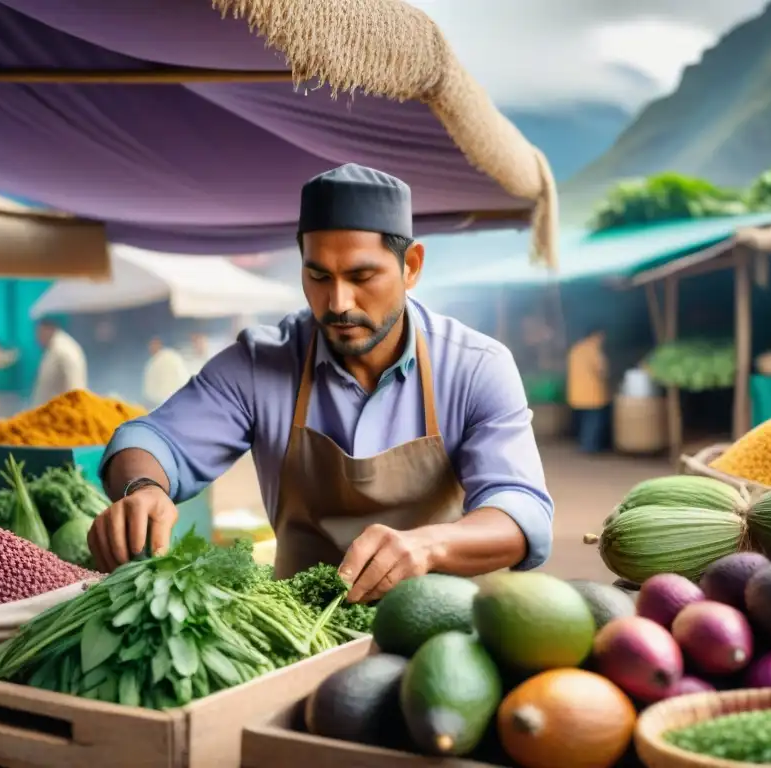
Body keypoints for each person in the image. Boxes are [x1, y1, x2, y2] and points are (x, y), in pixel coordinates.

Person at [91, 163, 554, 603]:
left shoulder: (476, 367)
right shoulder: (262, 363)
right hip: (296, 634)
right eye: (318, 276)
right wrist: (143, 489)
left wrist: (430, 546)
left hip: (435, 633)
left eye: (361, 275)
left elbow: (521, 511)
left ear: (411, 265)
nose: (337, 302)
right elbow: (152, 437)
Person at [566, 328, 611, 453]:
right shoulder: (594, 350)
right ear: (596, 335)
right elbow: (602, 370)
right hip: (592, 394)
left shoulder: (576, 348)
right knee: (593, 422)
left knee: (583, 421)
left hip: (576, 393)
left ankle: (584, 444)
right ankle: (590, 447)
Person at [32, 319, 88, 405]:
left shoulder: (62, 350)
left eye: (39, 333)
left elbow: (73, 388)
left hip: (65, 411)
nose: (38, 339)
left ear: (47, 330)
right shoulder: (57, 347)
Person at [142, 337, 190, 409]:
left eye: (153, 344)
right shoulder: (172, 357)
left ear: (159, 344)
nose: (151, 347)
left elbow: (150, 390)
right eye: (150, 345)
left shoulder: (161, 360)